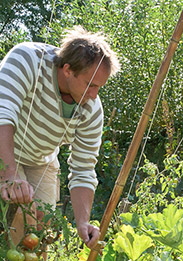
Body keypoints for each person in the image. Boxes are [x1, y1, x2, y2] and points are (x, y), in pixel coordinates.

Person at [0, 26, 120, 248]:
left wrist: (83, 221)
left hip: (40, 159)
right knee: (17, 221)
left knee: (38, 235)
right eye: (90, 85)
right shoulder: (27, 59)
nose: (94, 95)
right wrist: (10, 174)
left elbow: (83, 168)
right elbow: (2, 114)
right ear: (67, 69)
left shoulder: (91, 110)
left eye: (99, 88)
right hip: (4, 147)